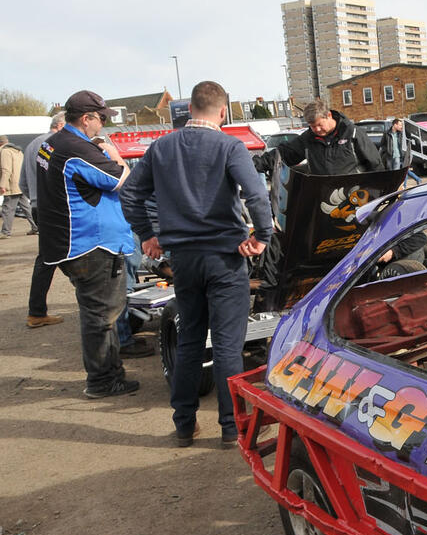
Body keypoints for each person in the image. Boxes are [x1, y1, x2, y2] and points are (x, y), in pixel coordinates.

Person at [121, 80, 272, 448]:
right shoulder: (229, 146)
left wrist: (147, 234)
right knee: (226, 346)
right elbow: (255, 193)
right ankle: (231, 428)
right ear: (222, 111)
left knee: (189, 340)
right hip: (225, 258)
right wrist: (263, 235)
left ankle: (184, 425)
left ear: (190, 109)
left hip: (183, 260)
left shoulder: (161, 147)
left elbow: (130, 193)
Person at [37, 90, 138, 399]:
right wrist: (112, 152)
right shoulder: (76, 149)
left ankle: (108, 373)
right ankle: (103, 380)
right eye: (101, 118)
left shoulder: (50, 144)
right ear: (86, 119)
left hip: (67, 241)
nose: (103, 125)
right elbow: (121, 177)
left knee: (94, 312)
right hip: (92, 244)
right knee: (102, 316)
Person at [20, 114, 66, 327]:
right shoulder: (57, 143)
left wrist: (36, 199)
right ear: (60, 125)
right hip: (56, 207)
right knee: (52, 258)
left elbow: (22, 184)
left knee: (50, 257)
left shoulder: (31, 145)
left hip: (39, 207)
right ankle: (36, 312)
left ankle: (37, 311)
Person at [276, 99, 382, 175]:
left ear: (329, 116)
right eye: (312, 126)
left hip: (354, 196)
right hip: (324, 197)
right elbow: (285, 154)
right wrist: (260, 164)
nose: (317, 129)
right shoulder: (307, 139)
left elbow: (375, 165)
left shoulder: (353, 133)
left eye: (319, 124)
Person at [0, 135, 36, 239]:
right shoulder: (18, 151)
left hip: (11, 185)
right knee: (27, 208)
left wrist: (2, 185)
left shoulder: (5, 152)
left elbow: (6, 170)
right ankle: (37, 227)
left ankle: (5, 232)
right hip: (19, 184)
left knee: (7, 209)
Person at [379, 117, 421, 186]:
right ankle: (416, 179)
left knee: (399, 172)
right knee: (399, 171)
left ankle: (401, 185)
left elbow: (409, 141)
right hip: (389, 156)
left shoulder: (401, 134)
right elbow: (382, 144)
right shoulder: (386, 133)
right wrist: (386, 151)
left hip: (399, 156)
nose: (401, 126)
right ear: (395, 125)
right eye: (400, 125)